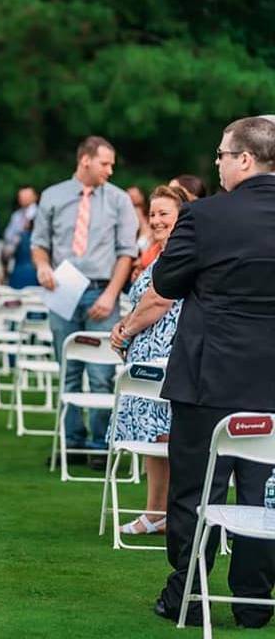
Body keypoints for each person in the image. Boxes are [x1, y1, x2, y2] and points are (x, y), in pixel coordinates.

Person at [151, 116, 275, 629]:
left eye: (223, 154)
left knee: (194, 491)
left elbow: (167, 279)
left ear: (245, 159)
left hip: (209, 374)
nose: (218, 162)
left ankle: (189, 593)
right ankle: (252, 601)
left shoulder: (204, 217)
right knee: (263, 492)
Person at [31, 135, 138, 464]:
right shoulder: (52, 195)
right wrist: (42, 266)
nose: (110, 170)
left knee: (102, 371)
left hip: (101, 289)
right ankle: (71, 445)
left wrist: (111, 294)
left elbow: (126, 253)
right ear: (85, 160)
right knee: (68, 368)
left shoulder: (119, 200)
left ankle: (99, 448)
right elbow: (39, 243)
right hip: (61, 289)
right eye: (106, 163)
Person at [106, 185, 190, 535]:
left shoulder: (180, 254)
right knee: (155, 439)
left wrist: (125, 331)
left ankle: (161, 512)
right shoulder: (160, 253)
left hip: (163, 355)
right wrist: (124, 326)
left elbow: (160, 301)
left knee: (161, 439)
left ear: (181, 218)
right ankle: (158, 511)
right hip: (144, 352)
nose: (155, 220)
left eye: (163, 214)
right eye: (153, 213)